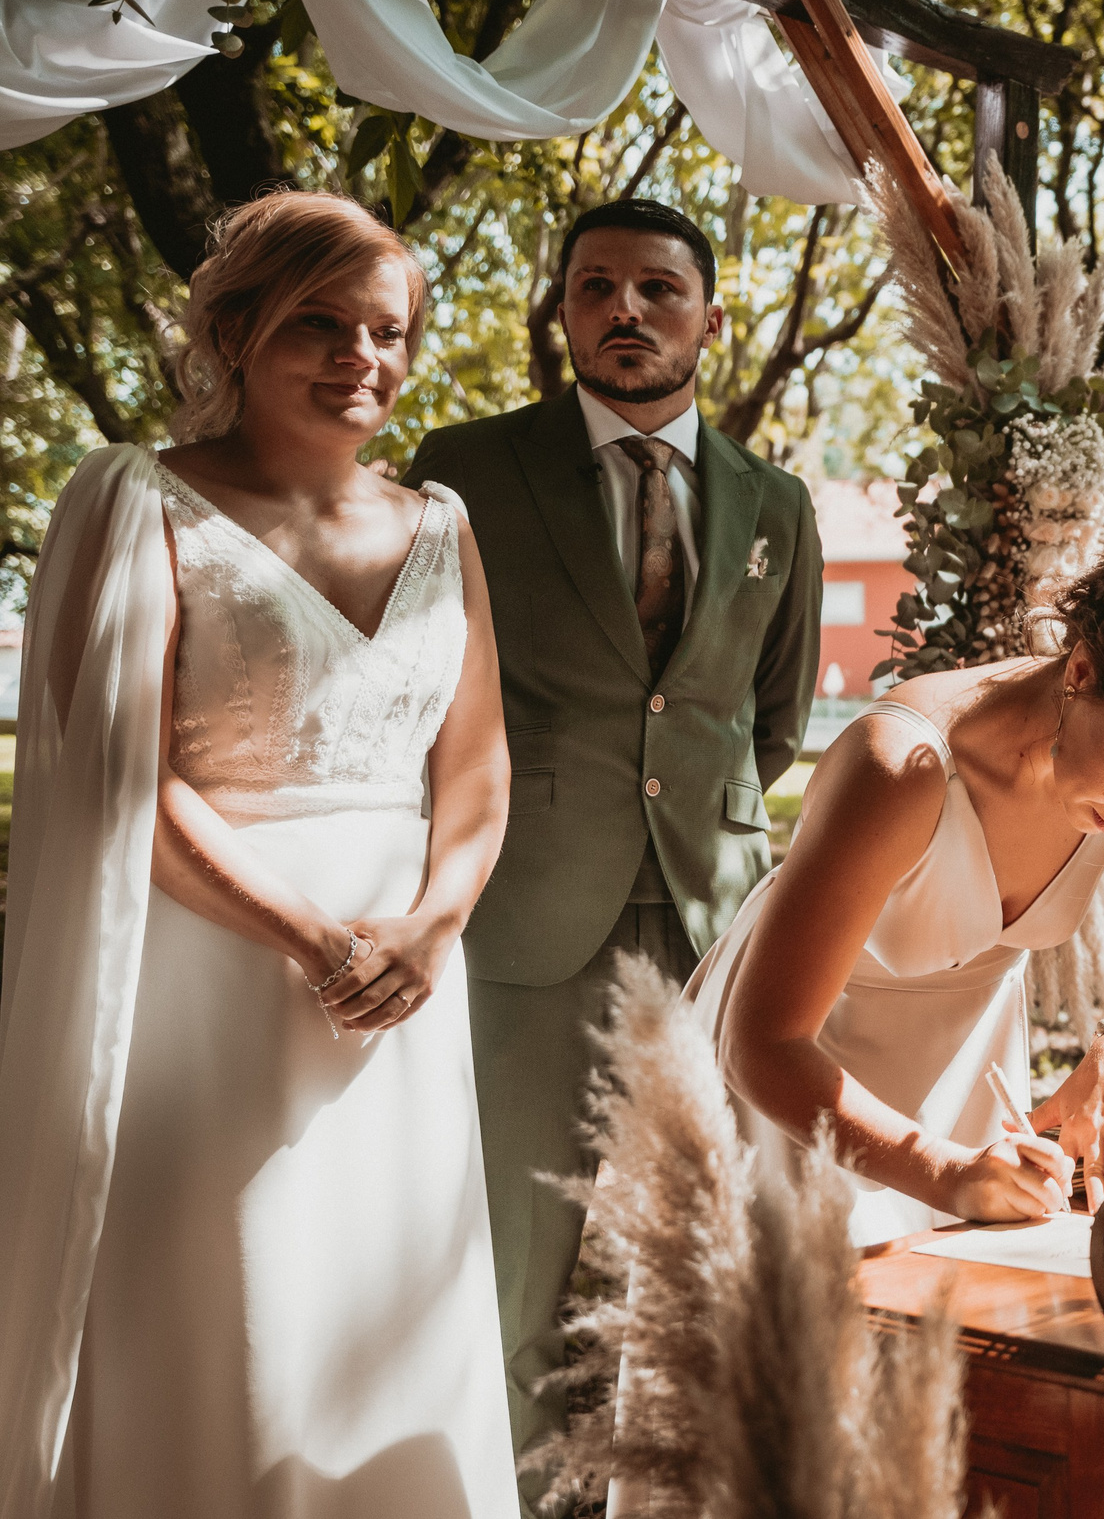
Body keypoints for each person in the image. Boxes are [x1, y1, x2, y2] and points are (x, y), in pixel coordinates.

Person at [0, 190, 516, 1515]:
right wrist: (314, 937)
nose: (362, 357)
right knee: (235, 1294)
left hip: (406, 982)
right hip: (211, 973)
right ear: (235, 333)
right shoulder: (137, 499)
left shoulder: (442, 523)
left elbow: (475, 765)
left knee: (388, 1294)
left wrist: (434, 922)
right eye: (319, 324)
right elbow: (123, 778)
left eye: (388, 331)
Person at [402, 198, 822, 1502]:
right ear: (565, 310)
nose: (624, 309)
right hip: (527, 909)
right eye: (594, 286)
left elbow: (774, 715)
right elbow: (422, 682)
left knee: (711, 1244)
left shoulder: (777, 502)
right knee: (522, 1252)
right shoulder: (465, 468)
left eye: (656, 287)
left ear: (710, 316)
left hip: (715, 920)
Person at [692, 535, 1104, 1239]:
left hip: (968, 1082)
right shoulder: (900, 767)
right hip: (803, 1091)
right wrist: (944, 1172)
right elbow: (761, 1045)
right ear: (1082, 672)